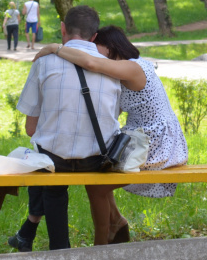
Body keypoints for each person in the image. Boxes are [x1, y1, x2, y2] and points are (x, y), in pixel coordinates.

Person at [33, 25, 188, 245]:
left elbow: (91, 63)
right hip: (143, 138)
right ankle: (116, 221)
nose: (94, 54)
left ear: (111, 46)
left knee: (96, 184)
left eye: (97, 49)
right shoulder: (125, 70)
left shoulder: (134, 67)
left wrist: (55, 48)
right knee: (100, 166)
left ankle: (101, 244)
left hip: (156, 142)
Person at [9, 5, 121, 252]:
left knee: (46, 166)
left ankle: (59, 249)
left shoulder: (44, 62)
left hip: (54, 161)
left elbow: (30, 128)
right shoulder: (112, 68)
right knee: (46, 159)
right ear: (94, 36)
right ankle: (30, 232)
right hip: (97, 159)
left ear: (63, 29)